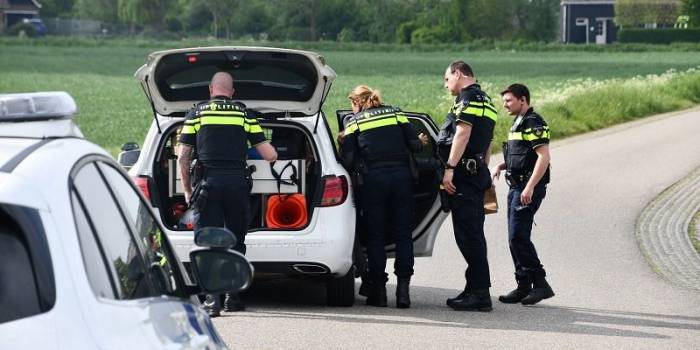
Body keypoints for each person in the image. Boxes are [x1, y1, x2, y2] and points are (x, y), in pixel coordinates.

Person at [178, 72, 277, 316]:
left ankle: (212, 301)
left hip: (207, 185)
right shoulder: (244, 115)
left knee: (208, 241)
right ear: (232, 92)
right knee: (235, 239)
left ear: (211, 89)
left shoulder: (197, 114)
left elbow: (182, 156)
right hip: (236, 185)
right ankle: (233, 297)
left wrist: (187, 190)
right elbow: (270, 155)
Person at [340, 85, 427, 308]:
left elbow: (348, 160)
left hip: (373, 182)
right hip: (402, 179)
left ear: (357, 102)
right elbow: (415, 146)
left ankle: (378, 293)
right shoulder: (396, 113)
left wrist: (343, 142)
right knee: (403, 234)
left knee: (376, 236)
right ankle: (403, 293)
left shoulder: (354, 122)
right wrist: (422, 141)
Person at [438, 61, 497, 312]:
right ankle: (473, 288)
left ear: (458, 73)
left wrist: (450, 168)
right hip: (476, 174)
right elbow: (489, 140)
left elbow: (462, 133)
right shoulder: (487, 100)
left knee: (468, 236)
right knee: (473, 234)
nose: (445, 84)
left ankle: (480, 294)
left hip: (464, 176)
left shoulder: (467, 99)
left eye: (446, 78)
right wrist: (483, 164)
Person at [492, 83, 555, 305]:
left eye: (509, 101)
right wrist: (503, 166)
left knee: (519, 236)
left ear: (523, 99)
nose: (505, 105)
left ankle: (540, 284)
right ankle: (523, 285)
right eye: (504, 101)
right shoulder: (517, 122)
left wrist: (529, 187)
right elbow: (522, 155)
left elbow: (543, 157)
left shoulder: (533, 122)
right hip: (515, 186)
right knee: (513, 238)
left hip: (527, 188)